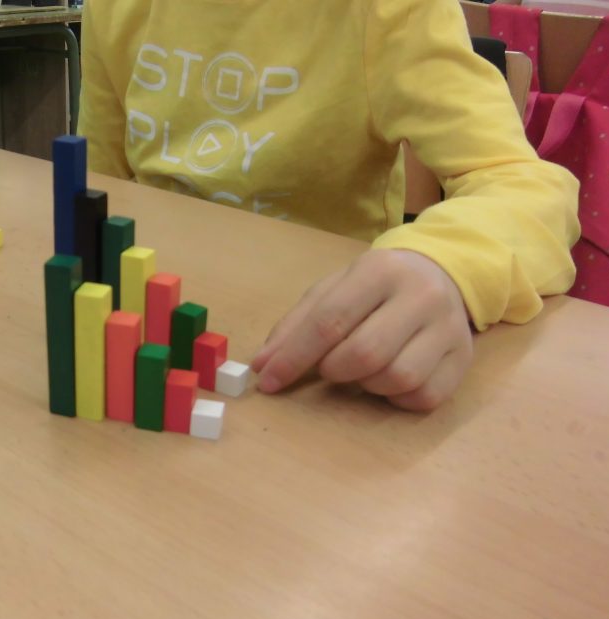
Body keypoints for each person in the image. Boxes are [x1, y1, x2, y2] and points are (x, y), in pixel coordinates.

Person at [78, 0, 580, 411]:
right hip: (148, 336)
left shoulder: (387, 11)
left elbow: (525, 184)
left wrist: (446, 262)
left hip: (319, 359)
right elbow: (101, 186)